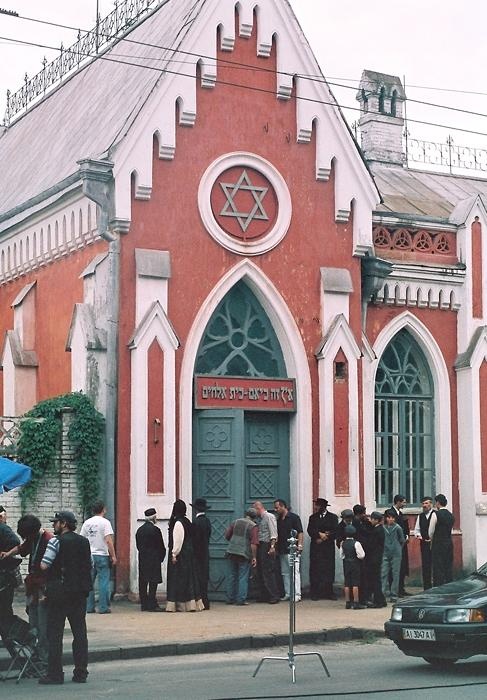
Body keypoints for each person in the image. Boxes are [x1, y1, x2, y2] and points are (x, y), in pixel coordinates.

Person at [39, 510, 92, 685]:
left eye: (56, 522)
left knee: (55, 634)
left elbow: (44, 565)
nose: (54, 525)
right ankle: (81, 672)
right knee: (80, 633)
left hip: (59, 594)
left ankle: (55, 674)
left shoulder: (55, 541)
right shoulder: (84, 542)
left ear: (64, 524)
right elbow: (89, 564)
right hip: (79, 593)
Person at [1, 514, 53, 663]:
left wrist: (46, 592)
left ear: (32, 532)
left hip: (43, 588)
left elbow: (52, 569)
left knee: (43, 625)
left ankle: (44, 658)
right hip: (33, 587)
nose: (25, 539)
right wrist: (8, 553)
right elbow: (21, 548)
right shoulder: (33, 539)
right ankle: (36, 654)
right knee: (33, 624)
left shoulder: (48, 540)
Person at [166, 499, 204, 612]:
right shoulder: (187, 521)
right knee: (189, 579)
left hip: (181, 555)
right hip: (188, 554)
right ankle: (191, 604)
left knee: (178, 579)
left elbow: (178, 540)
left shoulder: (178, 523)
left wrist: (174, 554)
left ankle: (179, 604)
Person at [80, 501, 117, 614]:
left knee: (89, 582)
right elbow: (108, 540)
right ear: (103, 510)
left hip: (89, 555)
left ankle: (89, 607)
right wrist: (113, 555)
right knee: (103, 581)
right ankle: (103, 607)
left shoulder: (87, 523)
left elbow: (82, 539)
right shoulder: (105, 523)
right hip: (102, 555)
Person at [224, 507, 259, 605]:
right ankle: (241, 599)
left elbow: (227, 535)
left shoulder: (235, 522)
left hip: (231, 551)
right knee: (243, 577)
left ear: (246, 514)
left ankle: (230, 598)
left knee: (232, 575)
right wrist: (254, 557)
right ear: (254, 517)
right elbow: (254, 543)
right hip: (243, 553)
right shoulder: (253, 526)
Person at [0, 505, 21, 658]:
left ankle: (14, 650)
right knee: (5, 615)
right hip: (4, 580)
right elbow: (15, 541)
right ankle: (14, 651)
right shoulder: (2, 528)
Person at [135, 508, 166, 612]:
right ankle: (152, 604)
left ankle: (144, 604)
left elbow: (138, 546)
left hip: (143, 559)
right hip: (154, 559)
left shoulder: (139, 530)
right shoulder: (156, 530)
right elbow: (161, 546)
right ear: (154, 518)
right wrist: (161, 557)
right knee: (153, 582)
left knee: (143, 582)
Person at [307, 498, 339, 600]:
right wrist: (318, 534)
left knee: (328, 569)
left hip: (327, 548)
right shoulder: (313, 517)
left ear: (323, 507)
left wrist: (326, 536)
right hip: (316, 547)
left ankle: (328, 592)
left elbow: (335, 531)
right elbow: (310, 530)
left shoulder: (333, 517)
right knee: (315, 569)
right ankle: (315, 592)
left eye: (317, 505)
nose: (316, 507)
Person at [273, 499, 303, 602]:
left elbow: (300, 532)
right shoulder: (279, 519)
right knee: (285, 572)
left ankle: (297, 594)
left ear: (283, 506)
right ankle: (288, 593)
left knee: (294, 572)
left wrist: (300, 545)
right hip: (282, 549)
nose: (275, 510)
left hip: (292, 549)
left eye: (277, 507)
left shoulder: (294, 517)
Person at [253, 500, 281, 604]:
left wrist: (272, 546)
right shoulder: (260, 519)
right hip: (261, 545)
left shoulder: (269, 516)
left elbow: (273, 533)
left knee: (268, 571)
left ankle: (274, 595)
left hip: (267, 545)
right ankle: (264, 594)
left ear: (258, 508)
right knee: (261, 571)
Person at [385, 495, 410, 596]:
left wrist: (406, 536)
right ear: (398, 502)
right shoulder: (389, 513)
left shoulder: (401, 513)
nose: (405, 504)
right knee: (393, 568)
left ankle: (401, 588)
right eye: (403, 502)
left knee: (402, 566)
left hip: (402, 544)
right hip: (393, 545)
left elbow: (405, 528)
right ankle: (394, 590)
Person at [191, 497, 212, 610]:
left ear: (196, 509)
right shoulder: (207, 521)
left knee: (197, 578)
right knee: (204, 578)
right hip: (205, 552)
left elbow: (194, 539)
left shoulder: (195, 522)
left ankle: (200, 601)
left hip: (197, 554)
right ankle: (206, 601)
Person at [429, 493, 455, 586]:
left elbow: (430, 532)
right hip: (448, 542)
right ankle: (449, 585)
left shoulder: (435, 514)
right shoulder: (451, 515)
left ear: (438, 503)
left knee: (438, 567)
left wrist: (431, 539)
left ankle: (438, 586)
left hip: (438, 543)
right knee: (448, 566)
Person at [381, 511, 405, 603]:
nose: (391, 519)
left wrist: (398, 548)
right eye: (389, 517)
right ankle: (382, 593)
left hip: (396, 553)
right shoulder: (383, 528)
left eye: (392, 517)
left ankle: (394, 594)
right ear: (386, 518)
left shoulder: (398, 528)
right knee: (383, 573)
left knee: (395, 574)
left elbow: (402, 540)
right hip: (385, 552)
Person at [340, 525, 365, 609]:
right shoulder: (356, 543)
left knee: (347, 583)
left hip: (346, 563)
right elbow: (361, 555)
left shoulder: (343, 543)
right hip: (355, 563)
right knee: (355, 583)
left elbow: (341, 555)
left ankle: (347, 602)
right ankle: (356, 602)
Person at [365, 511, 386, 608]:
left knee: (375, 580)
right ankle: (381, 600)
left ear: (376, 520)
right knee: (376, 579)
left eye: (372, 519)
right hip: (377, 557)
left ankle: (378, 601)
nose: (371, 521)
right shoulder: (378, 529)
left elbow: (371, 544)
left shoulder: (377, 530)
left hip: (374, 558)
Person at [413, 496, 434, 590]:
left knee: (435, 565)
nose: (424, 505)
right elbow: (416, 530)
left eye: (426, 503)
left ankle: (435, 586)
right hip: (424, 544)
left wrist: (433, 539)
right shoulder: (420, 516)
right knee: (425, 565)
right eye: (423, 504)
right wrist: (420, 536)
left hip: (434, 544)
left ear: (431, 504)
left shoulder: (435, 514)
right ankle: (427, 587)